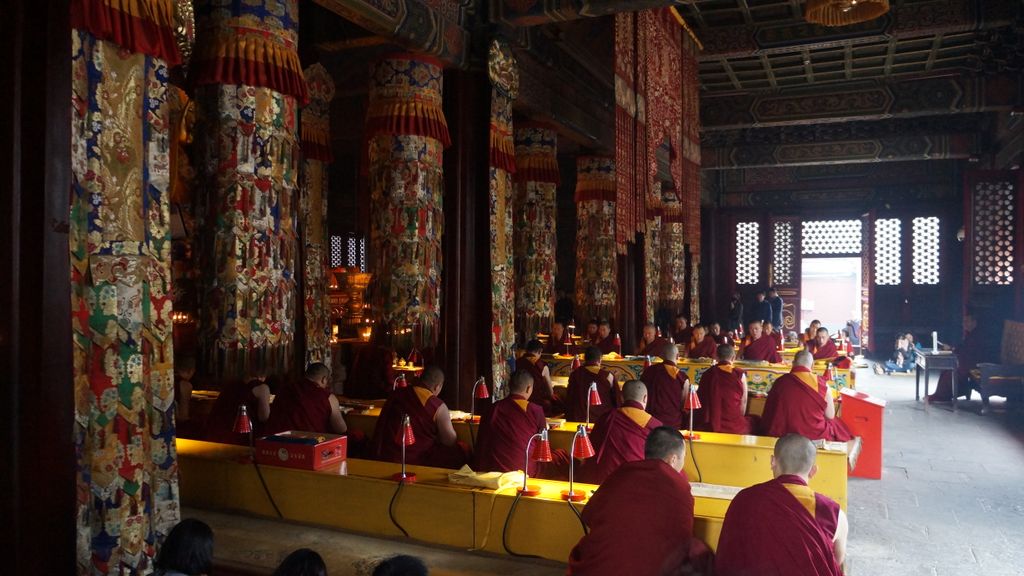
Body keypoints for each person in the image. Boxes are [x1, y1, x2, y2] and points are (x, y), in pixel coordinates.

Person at [568, 427, 705, 576]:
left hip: (598, 568)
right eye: (683, 457)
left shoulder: (622, 472)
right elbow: (682, 540)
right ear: (673, 459)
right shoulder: (679, 488)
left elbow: (588, 515)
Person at [715, 434, 847, 576]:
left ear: (773, 461)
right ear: (813, 471)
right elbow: (836, 560)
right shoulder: (833, 512)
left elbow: (728, 557)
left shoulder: (744, 499)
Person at [371, 365, 466, 469]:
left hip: (387, 456)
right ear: (437, 387)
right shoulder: (437, 405)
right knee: (462, 450)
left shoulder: (397, 394)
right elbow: (450, 441)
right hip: (418, 459)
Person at [474, 369, 567, 475]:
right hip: (524, 471)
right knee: (561, 455)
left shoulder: (493, 408)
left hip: (491, 469)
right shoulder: (535, 410)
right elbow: (543, 446)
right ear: (528, 388)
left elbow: (481, 442)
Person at [759, 351, 854, 444]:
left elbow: (769, 412)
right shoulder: (821, 383)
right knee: (837, 425)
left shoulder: (780, 382)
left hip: (783, 433)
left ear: (793, 364)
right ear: (812, 365)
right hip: (814, 434)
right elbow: (830, 415)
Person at [580, 380, 663, 484]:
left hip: (604, 481)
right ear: (645, 398)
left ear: (621, 397)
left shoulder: (606, 418)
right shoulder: (655, 425)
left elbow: (591, 451)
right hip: (636, 481)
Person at [265, 363, 347, 436]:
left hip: (278, 442)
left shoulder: (285, 389)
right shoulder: (328, 397)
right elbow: (341, 429)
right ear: (324, 379)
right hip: (309, 443)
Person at [205, 368, 273, 444]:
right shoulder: (262, 387)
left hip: (215, 434)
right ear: (263, 376)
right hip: (240, 436)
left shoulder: (230, 385)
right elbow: (264, 417)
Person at [696, 344, 750, 434]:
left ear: (716, 357)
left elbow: (701, 400)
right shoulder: (739, 374)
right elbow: (743, 401)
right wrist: (739, 419)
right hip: (734, 424)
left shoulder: (707, 374)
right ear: (733, 358)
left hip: (711, 424)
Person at [929, 315, 985, 402]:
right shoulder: (970, 334)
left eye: (967, 321)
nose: (964, 324)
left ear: (974, 322)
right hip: (968, 361)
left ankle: (943, 396)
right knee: (946, 371)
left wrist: (953, 350)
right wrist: (952, 349)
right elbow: (963, 348)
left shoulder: (978, 335)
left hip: (975, 364)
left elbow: (971, 353)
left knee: (951, 373)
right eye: (964, 322)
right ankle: (940, 395)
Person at [639, 342, 690, 429]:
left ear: (661, 356)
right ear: (677, 356)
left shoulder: (648, 372)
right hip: (673, 424)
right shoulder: (681, 377)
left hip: (650, 422)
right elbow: (684, 405)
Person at [565, 346, 616, 423]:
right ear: (600, 359)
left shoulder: (575, 374)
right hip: (602, 419)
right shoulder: (608, 376)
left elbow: (569, 397)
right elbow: (616, 400)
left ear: (585, 359)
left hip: (578, 417)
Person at [520, 339, 561, 416]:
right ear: (539, 351)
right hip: (537, 402)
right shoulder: (541, 365)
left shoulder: (517, 362)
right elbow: (550, 392)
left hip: (520, 401)